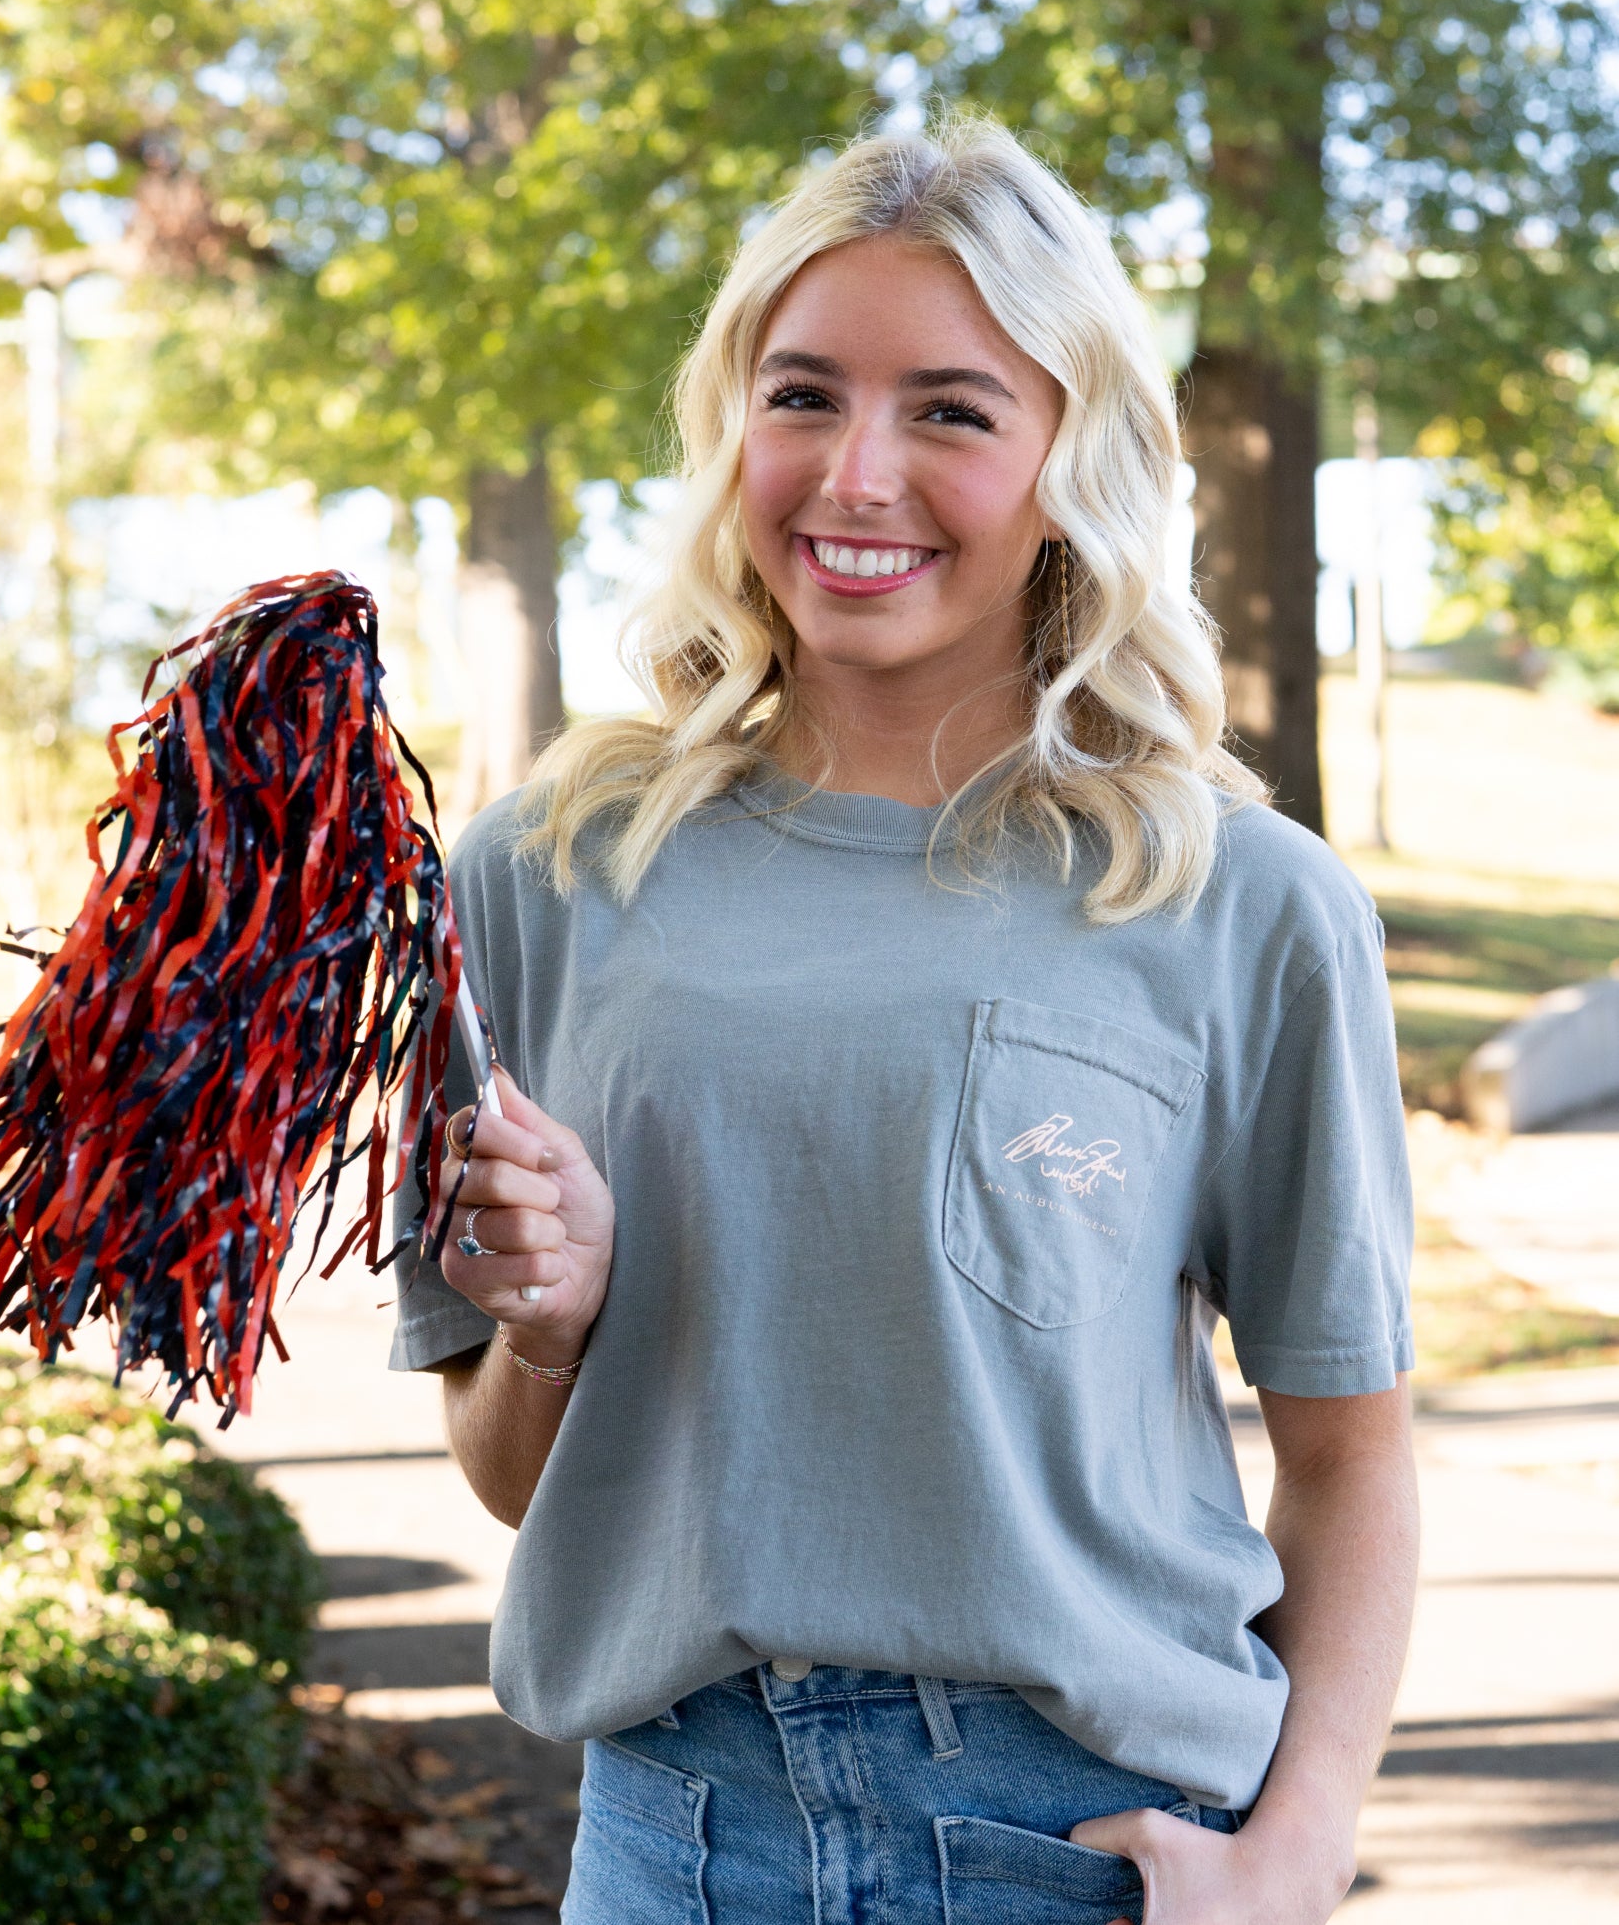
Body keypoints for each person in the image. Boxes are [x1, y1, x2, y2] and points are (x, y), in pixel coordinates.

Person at [390, 111, 1419, 1925]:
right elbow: (506, 1477)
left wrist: (1298, 1848)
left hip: (1080, 1845)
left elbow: (1347, 1454)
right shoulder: (543, 872)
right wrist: (549, 1326)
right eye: (803, 396)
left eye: (950, 408)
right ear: (734, 432)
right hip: (666, 1841)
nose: (855, 475)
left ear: (1070, 458)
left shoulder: (1242, 902)